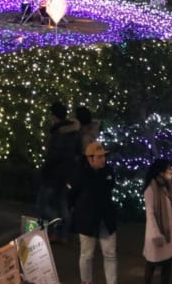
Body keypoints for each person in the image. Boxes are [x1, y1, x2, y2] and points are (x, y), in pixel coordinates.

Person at [69, 141, 118, 284]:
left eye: (104, 156)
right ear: (90, 158)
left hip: (105, 217)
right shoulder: (80, 172)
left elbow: (110, 186)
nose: (103, 159)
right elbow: (71, 195)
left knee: (110, 254)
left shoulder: (108, 170)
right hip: (87, 218)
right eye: (99, 157)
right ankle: (86, 281)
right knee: (87, 254)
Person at [38, 102, 80, 242]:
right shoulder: (73, 133)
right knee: (62, 203)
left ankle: (56, 227)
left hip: (53, 175)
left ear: (54, 116)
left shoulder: (59, 133)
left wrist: (45, 170)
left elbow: (53, 156)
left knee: (44, 205)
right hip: (67, 175)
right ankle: (63, 234)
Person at [143, 159, 172, 284]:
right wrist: (157, 234)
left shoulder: (167, 186)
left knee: (168, 263)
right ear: (160, 172)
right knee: (152, 263)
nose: (171, 171)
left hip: (168, 233)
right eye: (168, 169)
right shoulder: (150, 189)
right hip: (156, 233)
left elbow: (170, 204)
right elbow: (150, 214)